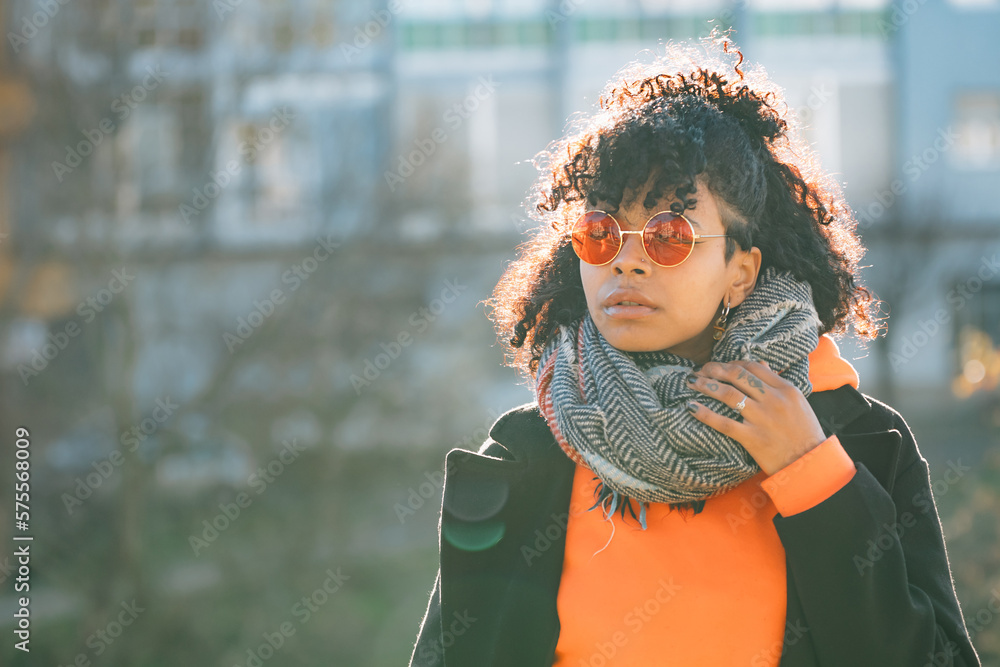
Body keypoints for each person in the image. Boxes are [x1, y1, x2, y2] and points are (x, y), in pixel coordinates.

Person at [408, 34, 982, 667]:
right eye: (601, 233)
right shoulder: (535, 451)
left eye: (668, 234)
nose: (626, 260)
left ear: (740, 269)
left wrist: (813, 478)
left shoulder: (861, 444)